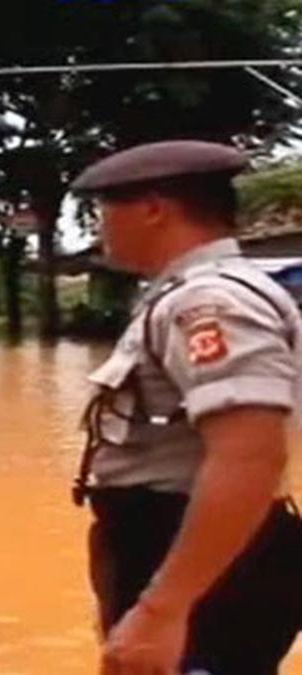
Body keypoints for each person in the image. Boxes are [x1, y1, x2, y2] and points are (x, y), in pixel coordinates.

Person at [70, 140, 302, 675]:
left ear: (154, 209)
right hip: (186, 552)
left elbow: (248, 458)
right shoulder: (182, 295)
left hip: (203, 562)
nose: (100, 226)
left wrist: (161, 609)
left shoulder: (209, 303)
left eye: (104, 210)